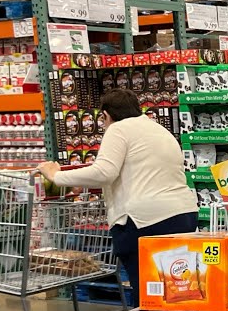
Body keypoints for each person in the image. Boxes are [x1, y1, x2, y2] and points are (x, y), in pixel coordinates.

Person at [36, 88, 197, 299]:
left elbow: (104, 172)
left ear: (106, 115)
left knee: (148, 294)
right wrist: (85, 183)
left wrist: (56, 176)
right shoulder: (157, 129)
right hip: (183, 215)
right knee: (178, 288)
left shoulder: (118, 129)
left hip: (145, 222)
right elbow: (139, 173)